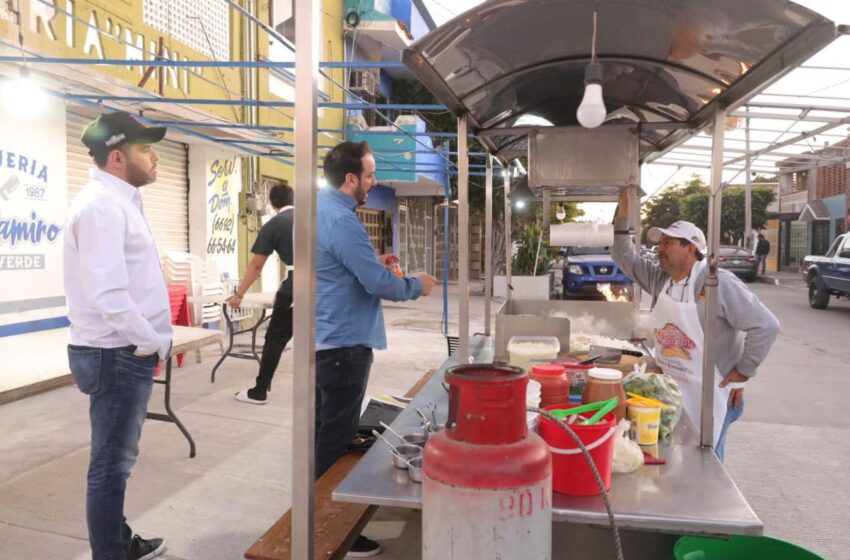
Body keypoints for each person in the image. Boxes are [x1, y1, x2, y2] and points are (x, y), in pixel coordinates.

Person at [316, 141, 438, 557]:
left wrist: (375, 261)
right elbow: (378, 285)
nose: (373, 181)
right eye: (369, 175)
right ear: (350, 179)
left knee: (324, 434)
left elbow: (347, 269)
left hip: (327, 339)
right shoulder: (341, 220)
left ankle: (318, 515)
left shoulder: (320, 210)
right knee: (335, 441)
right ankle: (331, 529)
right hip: (344, 345)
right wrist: (415, 285)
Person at [64, 111, 172, 560]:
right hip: (117, 352)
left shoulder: (118, 201)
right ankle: (110, 553)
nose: (154, 156)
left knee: (115, 462)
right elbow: (108, 292)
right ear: (116, 157)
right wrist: (146, 341)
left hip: (122, 349)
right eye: (145, 149)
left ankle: (117, 540)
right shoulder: (101, 207)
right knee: (111, 466)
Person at [612, 187, 780, 460]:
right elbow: (624, 257)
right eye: (660, 242)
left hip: (711, 396)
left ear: (691, 248)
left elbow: (766, 326)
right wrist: (623, 212)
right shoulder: (661, 279)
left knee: (707, 468)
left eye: (668, 243)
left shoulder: (717, 283)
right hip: (674, 390)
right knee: (677, 463)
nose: (660, 248)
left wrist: (742, 372)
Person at [228, 182, 294, 404]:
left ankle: (260, 390)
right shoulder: (314, 219)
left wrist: (239, 294)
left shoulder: (274, 224)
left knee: (275, 338)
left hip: (297, 288)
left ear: (272, 203)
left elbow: (256, 266)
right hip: (328, 287)